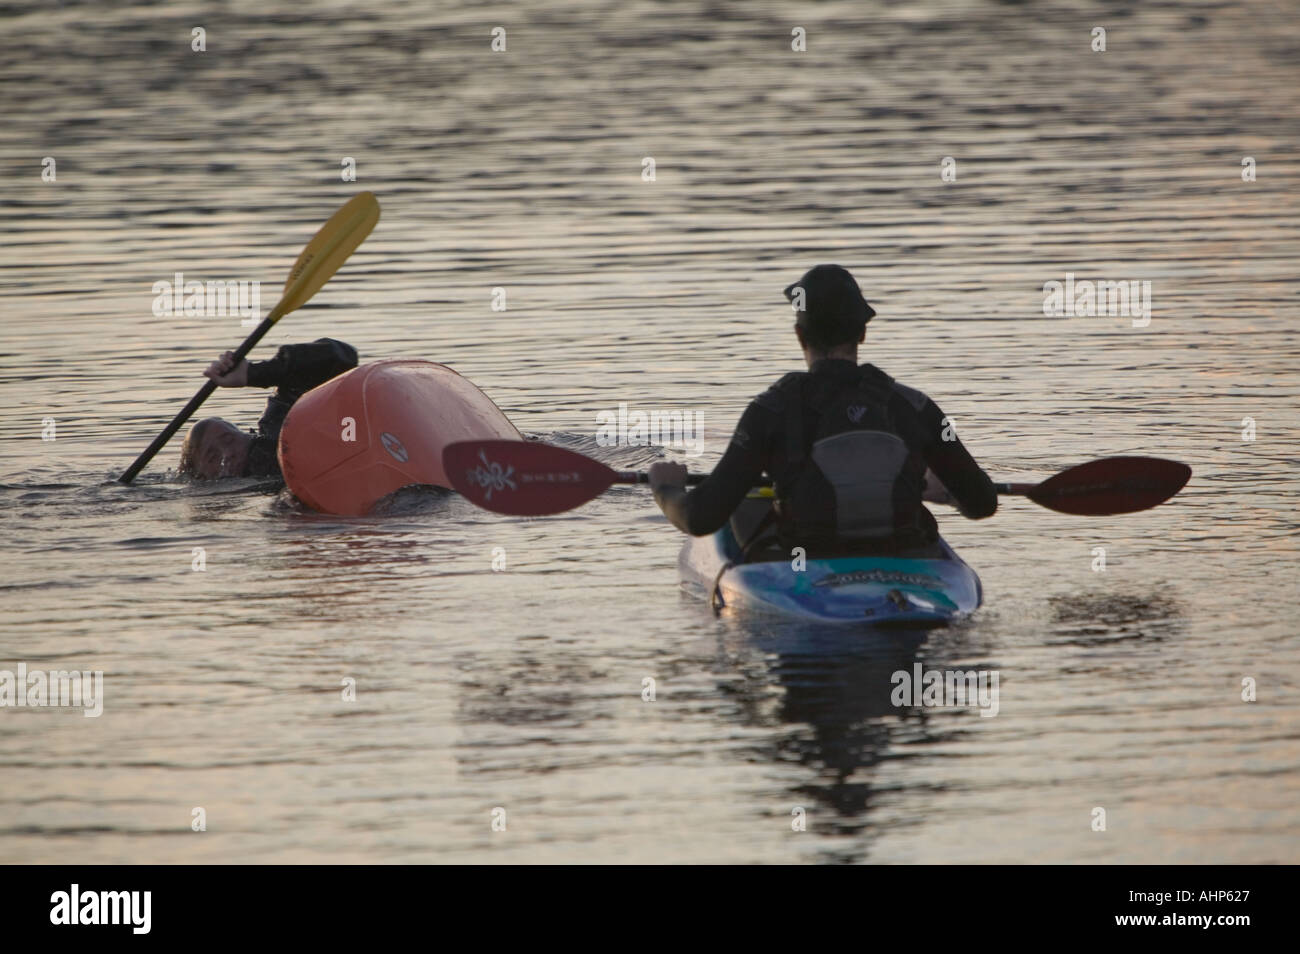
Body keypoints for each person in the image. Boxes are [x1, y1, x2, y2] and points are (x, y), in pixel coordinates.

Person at [648, 265, 996, 560]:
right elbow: (982, 503)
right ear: (862, 333)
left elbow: (701, 519)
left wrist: (666, 489)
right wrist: (947, 493)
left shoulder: (770, 411)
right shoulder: (915, 407)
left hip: (809, 564)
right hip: (904, 560)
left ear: (800, 335)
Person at [178, 338, 358, 479]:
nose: (228, 454)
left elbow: (338, 356)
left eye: (230, 440)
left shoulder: (279, 427)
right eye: (213, 457)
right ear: (200, 478)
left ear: (248, 436)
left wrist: (252, 374)